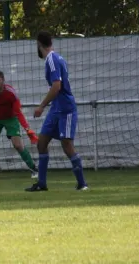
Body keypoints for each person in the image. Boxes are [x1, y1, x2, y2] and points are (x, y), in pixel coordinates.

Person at [27, 31, 88, 192]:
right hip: (56, 108)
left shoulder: (53, 60)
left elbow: (57, 86)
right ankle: (41, 183)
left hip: (65, 108)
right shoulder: (55, 58)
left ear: (39, 44)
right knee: (42, 142)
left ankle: (82, 183)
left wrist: (41, 106)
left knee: (67, 145)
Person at [0, 70, 39, 179]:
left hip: (10, 118)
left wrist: (28, 130)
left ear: (3, 81)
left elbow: (18, 112)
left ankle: (34, 169)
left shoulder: (11, 93)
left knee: (17, 145)